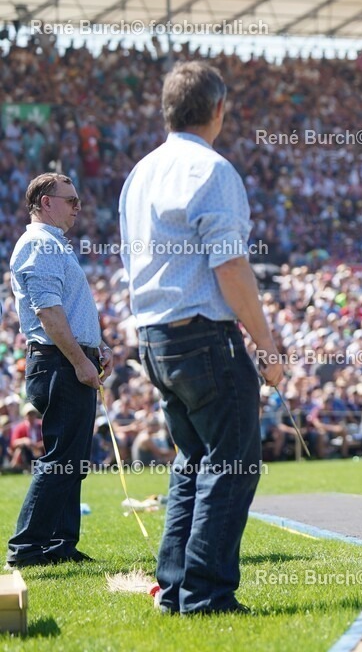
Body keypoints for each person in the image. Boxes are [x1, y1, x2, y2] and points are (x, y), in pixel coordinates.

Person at [119, 61, 284, 615]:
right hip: (202, 334)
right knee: (232, 462)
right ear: (219, 109)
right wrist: (265, 344)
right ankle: (206, 594)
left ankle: (174, 587)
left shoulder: (140, 173)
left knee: (194, 460)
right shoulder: (212, 170)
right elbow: (231, 267)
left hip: (156, 334)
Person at [7, 172, 111, 567]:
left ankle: (58, 545)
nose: (78, 208)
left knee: (71, 459)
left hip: (66, 359)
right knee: (61, 458)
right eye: (71, 200)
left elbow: (64, 309)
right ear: (45, 202)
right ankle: (27, 548)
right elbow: (48, 312)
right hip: (58, 362)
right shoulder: (39, 243)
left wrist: (97, 347)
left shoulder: (53, 245)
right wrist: (81, 360)